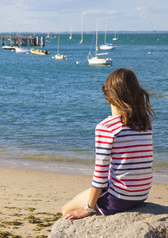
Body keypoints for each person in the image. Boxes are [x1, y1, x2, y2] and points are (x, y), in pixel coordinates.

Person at [62, 68, 156, 219]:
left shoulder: (106, 127)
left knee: (66, 209)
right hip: (141, 194)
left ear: (108, 96)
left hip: (117, 198)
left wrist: (89, 208)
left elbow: (100, 175)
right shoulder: (144, 124)